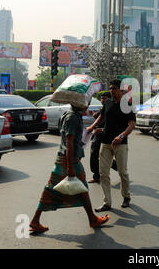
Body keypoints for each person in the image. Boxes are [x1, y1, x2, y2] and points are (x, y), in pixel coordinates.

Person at [29, 103, 110, 233]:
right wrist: (70, 167)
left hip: (68, 159)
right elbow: (69, 142)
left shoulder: (73, 115)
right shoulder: (72, 117)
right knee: (61, 189)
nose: (87, 104)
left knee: (73, 189)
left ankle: (35, 220)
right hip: (68, 161)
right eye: (84, 102)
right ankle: (92, 219)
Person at [87, 79, 136, 212]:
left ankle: (126, 197)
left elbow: (132, 124)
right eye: (110, 88)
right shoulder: (107, 102)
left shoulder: (127, 105)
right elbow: (101, 117)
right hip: (105, 142)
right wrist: (92, 127)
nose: (111, 90)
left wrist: (121, 136)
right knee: (103, 173)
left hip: (121, 144)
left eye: (114, 88)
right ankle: (107, 202)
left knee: (122, 172)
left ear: (121, 90)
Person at [88, 92, 117, 184]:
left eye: (105, 98)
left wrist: (102, 129)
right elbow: (100, 118)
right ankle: (96, 176)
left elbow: (114, 124)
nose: (102, 100)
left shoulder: (113, 109)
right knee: (93, 155)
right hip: (97, 135)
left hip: (107, 136)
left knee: (105, 157)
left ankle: (119, 167)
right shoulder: (102, 108)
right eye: (101, 98)